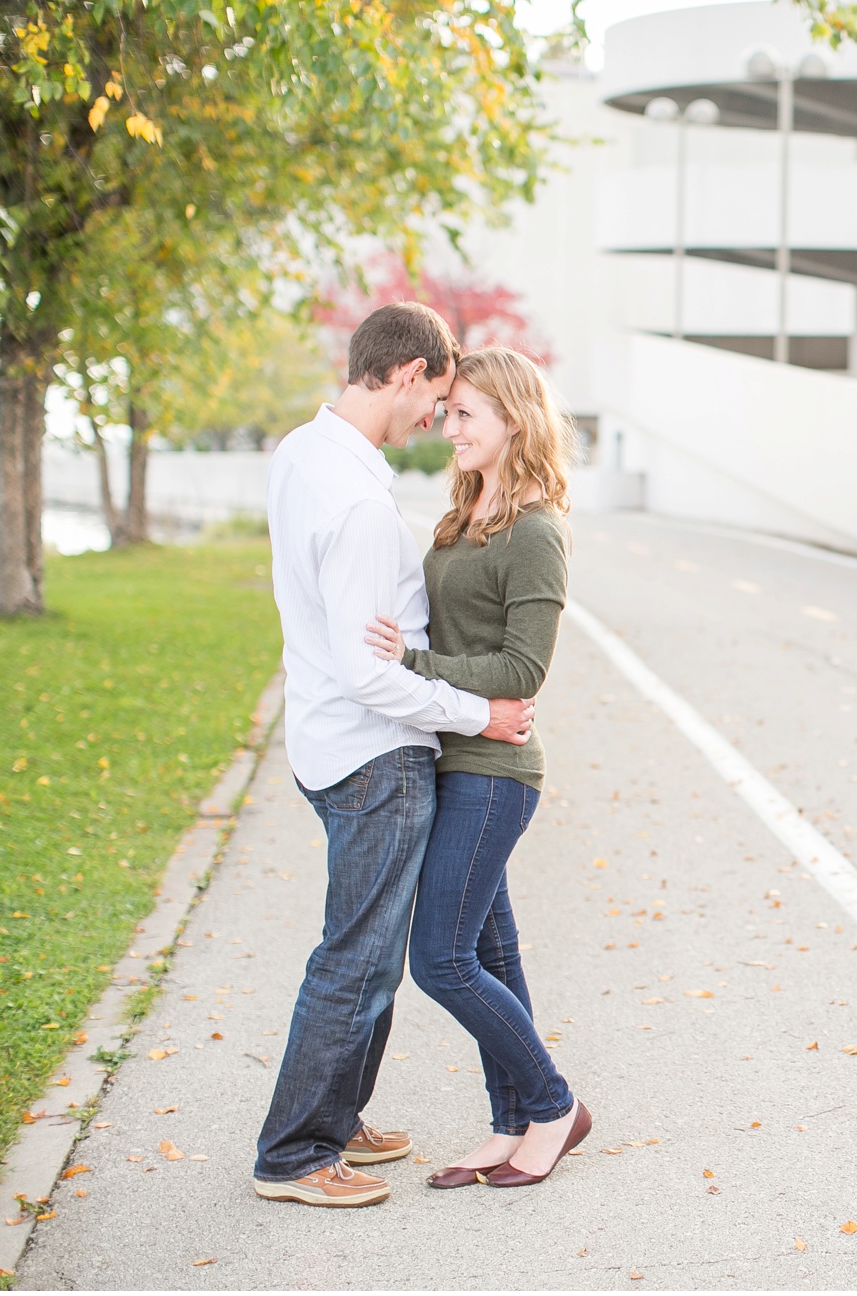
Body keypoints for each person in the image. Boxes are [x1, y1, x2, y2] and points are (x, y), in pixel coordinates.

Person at [254, 304, 536, 1208]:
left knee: (369, 951)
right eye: (439, 399)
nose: (438, 420)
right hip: (376, 754)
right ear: (409, 372)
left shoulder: (303, 454)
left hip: (327, 742)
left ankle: (337, 1116)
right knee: (358, 957)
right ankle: (297, 1153)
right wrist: (476, 713)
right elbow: (373, 673)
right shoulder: (361, 507)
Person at [361, 345, 590, 1189]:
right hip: (446, 756)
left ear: (514, 422)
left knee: (444, 959)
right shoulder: (461, 517)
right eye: (447, 410)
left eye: (465, 414)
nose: (445, 425)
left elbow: (523, 670)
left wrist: (413, 668)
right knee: (494, 954)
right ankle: (513, 1122)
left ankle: (556, 1105)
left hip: (495, 772)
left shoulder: (536, 531)